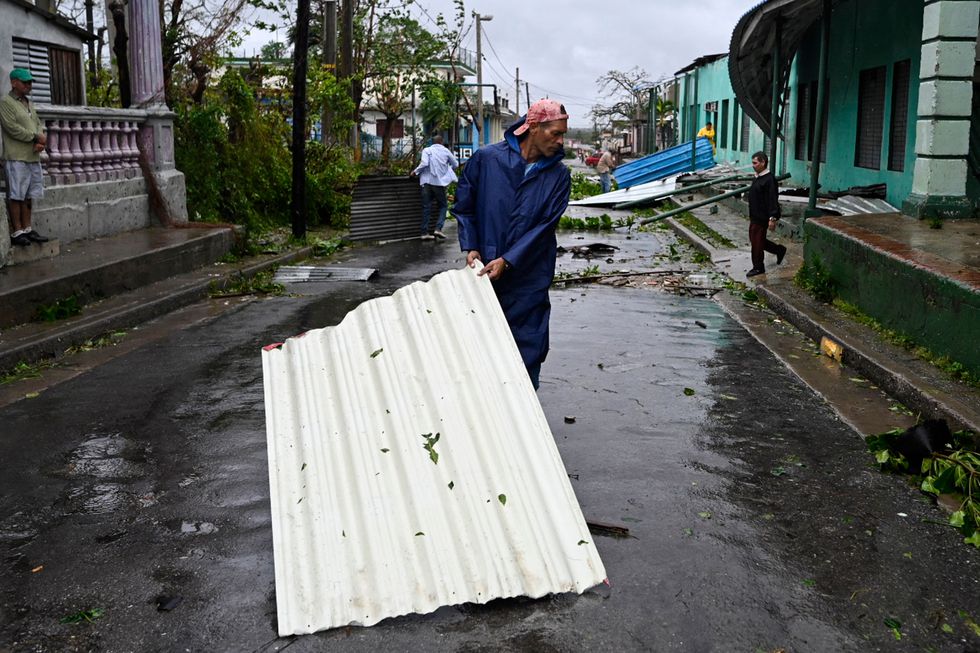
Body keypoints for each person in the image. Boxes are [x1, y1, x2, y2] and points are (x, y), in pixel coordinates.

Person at [454, 99, 571, 390]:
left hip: (529, 276)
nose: (560, 141)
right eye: (555, 133)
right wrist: (471, 246)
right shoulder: (487, 160)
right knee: (481, 344)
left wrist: (508, 260)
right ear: (532, 127)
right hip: (484, 275)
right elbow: (464, 206)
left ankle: (525, 418)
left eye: (562, 135)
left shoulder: (558, 176)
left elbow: (544, 227)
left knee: (528, 347)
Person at [0, 68, 48, 247]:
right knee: (16, 195)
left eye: (30, 82)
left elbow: (37, 124)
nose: (29, 85)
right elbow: (12, 128)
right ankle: (17, 231)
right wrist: (35, 137)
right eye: (25, 82)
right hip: (16, 156)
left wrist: (41, 140)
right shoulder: (6, 102)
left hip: (32, 156)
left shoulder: (28, 103)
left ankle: (28, 229)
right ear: (14, 83)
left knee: (29, 195)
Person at [746, 151, 786, 278]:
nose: (753, 165)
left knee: (757, 242)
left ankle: (758, 267)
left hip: (762, 216)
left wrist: (772, 218)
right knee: (756, 239)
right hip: (755, 215)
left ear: (763, 162)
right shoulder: (758, 177)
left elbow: (772, 199)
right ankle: (779, 250)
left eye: (755, 163)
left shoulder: (769, 180)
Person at [411, 134, 459, 240]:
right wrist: (446, 169)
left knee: (426, 207)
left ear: (433, 142)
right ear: (441, 142)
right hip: (438, 183)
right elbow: (455, 164)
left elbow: (424, 163)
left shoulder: (427, 150)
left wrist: (415, 172)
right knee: (443, 206)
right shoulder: (446, 151)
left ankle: (424, 233)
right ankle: (438, 228)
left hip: (426, 183)